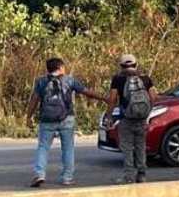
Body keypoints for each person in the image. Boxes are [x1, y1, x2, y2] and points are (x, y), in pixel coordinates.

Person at [26, 57, 108, 188]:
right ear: (60, 68)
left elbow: (34, 100)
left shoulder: (41, 81)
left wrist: (28, 117)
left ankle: (39, 174)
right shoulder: (69, 80)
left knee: (43, 147)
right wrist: (104, 98)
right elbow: (87, 92)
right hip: (66, 118)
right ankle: (67, 177)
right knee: (68, 148)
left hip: (46, 119)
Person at [107, 54, 157, 184]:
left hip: (126, 118)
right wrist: (147, 113)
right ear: (136, 65)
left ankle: (129, 176)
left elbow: (112, 99)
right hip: (141, 119)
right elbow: (154, 97)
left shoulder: (118, 79)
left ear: (121, 66)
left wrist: (109, 116)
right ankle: (142, 175)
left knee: (127, 148)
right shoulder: (145, 78)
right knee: (140, 146)